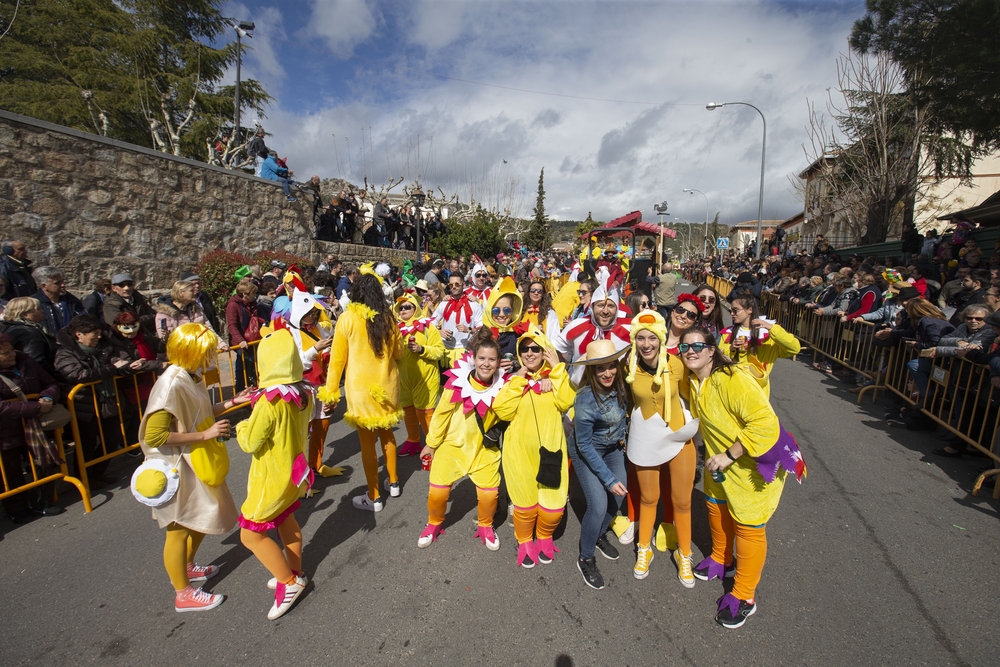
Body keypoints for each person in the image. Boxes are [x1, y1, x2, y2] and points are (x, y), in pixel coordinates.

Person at [680, 325, 806, 629]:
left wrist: (729, 455)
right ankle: (723, 559)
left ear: (713, 350)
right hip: (721, 467)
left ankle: (745, 596)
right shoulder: (696, 381)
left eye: (698, 346)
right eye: (685, 348)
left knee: (748, 528)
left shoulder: (732, 379)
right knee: (714, 505)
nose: (691, 351)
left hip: (755, 468)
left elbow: (765, 424)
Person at [137, 323, 251, 613]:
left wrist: (234, 401)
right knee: (177, 529)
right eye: (208, 350)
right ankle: (183, 593)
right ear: (192, 351)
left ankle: (187, 567)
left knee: (202, 516)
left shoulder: (192, 373)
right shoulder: (170, 384)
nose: (213, 355)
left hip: (195, 460)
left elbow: (201, 410)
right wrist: (205, 435)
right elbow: (155, 436)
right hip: (176, 468)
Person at [236, 329, 313, 620]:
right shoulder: (304, 393)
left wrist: (243, 425)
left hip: (271, 477)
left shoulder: (269, 402)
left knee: (250, 534)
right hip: (295, 473)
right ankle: (294, 569)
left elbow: (250, 442)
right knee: (286, 519)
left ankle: (289, 582)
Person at [624, 310, 700, 584]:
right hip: (645, 437)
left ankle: (685, 553)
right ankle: (644, 548)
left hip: (678, 437)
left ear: (660, 338)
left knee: (682, 501)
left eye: (652, 338)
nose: (646, 344)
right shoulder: (628, 365)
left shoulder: (677, 364)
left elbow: (693, 396)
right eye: (641, 338)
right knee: (648, 498)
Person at [416, 329, 508, 550]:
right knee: (437, 492)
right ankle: (434, 522)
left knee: (489, 494)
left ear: (499, 363)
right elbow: (441, 414)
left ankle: (486, 525)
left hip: (484, 449)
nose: (486, 364)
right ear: (473, 359)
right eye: (482, 358)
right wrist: (431, 444)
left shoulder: (505, 386)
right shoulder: (457, 382)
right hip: (452, 446)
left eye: (491, 359)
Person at [493, 326, 575, 568]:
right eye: (524, 349)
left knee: (553, 508)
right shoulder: (512, 380)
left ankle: (545, 534)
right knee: (524, 504)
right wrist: (518, 381)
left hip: (550, 451)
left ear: (545, 351)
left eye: (535, 348)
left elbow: (567, 401)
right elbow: (502, 410)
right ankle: (525, 539)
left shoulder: (556, 378)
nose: (529, 353)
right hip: (518, 453)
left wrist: (556, 370)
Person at [320, 272, 402, 512]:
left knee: (367, 443)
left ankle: (374, 496)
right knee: (387, 434)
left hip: (361, 390)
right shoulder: (388, 317)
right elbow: (399, 354)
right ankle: (394, 482)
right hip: (387, 387)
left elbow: (337, 361)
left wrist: (331, 393)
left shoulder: (347, 319)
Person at [567, 340, 630, 590]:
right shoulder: (585, 399)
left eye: (611, 366)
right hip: (587, 449)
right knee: (599, 502)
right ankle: (586, 556)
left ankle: (599, 534)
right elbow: (584, 445)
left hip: (613, 446)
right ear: (592, 371)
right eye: (600, 368)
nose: (607, 373)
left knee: (619, 495)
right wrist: (608, 478)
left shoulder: (622, 385)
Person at [54, 314, 143, 486]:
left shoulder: (103, 346)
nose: (99, 336)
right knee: (86, 444)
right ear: (79, 334)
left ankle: (98, 472)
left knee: (113, 437)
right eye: (94, 333)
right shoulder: (65, 352)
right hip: (84, 405)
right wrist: (111, 369)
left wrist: (127, 367)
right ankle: (85, 478)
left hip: (107, 401)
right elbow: (77, 375)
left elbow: (116, 361)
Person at [0, 334, 62, 522]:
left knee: (44, 461)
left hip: (34, 426)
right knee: (11, 472)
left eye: (11, 349)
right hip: (6, 431)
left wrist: (48, 398)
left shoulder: (26, 361)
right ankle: (16, 510)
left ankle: (42, 502)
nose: (12, 354)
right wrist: (35, 407)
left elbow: (50, 383)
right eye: (5, 352)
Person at [280, 287, 341, 479]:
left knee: (322, 422)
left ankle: (317, 464)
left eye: (316, 312)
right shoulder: (290, 332)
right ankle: (299, 474)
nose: (314, 316)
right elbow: (296, 361)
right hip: (303, 384)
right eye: (310, 313)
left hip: (322, 382)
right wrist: (315, 349)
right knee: (302, 429)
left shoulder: (318, 328)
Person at [555, 269, 631, 386]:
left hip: (617, 397)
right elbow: (555, 349)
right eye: (600, 305)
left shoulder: (631, 330)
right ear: (592, 306)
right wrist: (556, 374)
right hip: (580, 394)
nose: (605, 311)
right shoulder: (576, 326)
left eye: (611, 306)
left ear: (617, 309)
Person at [719, 294, 801, 396]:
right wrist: (730, 349)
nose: (732, 313)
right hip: (731, 388)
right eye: (731, 310)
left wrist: (772, 328)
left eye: (735, 310)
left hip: (757, 391)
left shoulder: (767, 335)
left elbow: (794, 348)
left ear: (749, 310)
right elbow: (718, 357)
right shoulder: (729, 333)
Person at [393, 293, 445, 457]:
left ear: (415, 308)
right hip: (404, 379)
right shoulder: (395, 330)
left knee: (425, 413)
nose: (403, 310)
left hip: (426, 379)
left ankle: (433, 445)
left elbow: (439, 351)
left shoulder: (428, 327)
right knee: (408, 410)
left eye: (407, 306)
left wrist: (421, 350)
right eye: (401, 308)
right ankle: (413, 439)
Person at [432, 273, 484, 369]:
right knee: (444, 383)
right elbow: (430, 325)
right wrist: (438, 331)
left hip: (466, 350)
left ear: (463, 284)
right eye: (451, 285)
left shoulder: (473, 305)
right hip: (445, 351)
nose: (454, 287)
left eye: (457, 284)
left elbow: (482, 330)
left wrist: (468, 329)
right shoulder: (444, 303)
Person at [153, 281, 223, 346]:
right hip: (176, 356)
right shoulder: (164, 314)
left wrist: (220, 344)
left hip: (197, 353)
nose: (195, 292)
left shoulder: (196, 309)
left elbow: (208, 329)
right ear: (181, 293)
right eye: (191, 291)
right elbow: (167, 339)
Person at [0, 297, 58, 374]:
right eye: (38, 309)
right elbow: (37, 361)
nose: (42, 311)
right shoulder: (28, 332)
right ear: (25, 314)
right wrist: (58, 379)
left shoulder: (11, 328)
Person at [225, 278, 261, 392]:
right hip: (242, 342)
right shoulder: (233, 305)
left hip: (252, 340)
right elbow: (232, 325)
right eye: (253, 294)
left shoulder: (252, 304)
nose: (255, 296)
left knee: (253, 367)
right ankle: (241, 392)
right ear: (245, 294)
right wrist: (240, 340)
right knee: (243, 369)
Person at [32, 266, 85, 336]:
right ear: (44, 286)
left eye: (62, 281)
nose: (63, 285)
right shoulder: (34, 304)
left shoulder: (72, 300)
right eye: (57, 283)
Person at [103, 273, 156, 339]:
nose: (127, 288)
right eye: (122, 285)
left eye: (129, 284)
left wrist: (136, 321)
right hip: (124, 341)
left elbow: (153, 315)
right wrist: (141, 320)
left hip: (145, 337)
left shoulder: (139, 298)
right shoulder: (110, 304)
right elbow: (121, 325)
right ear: (113, 288)